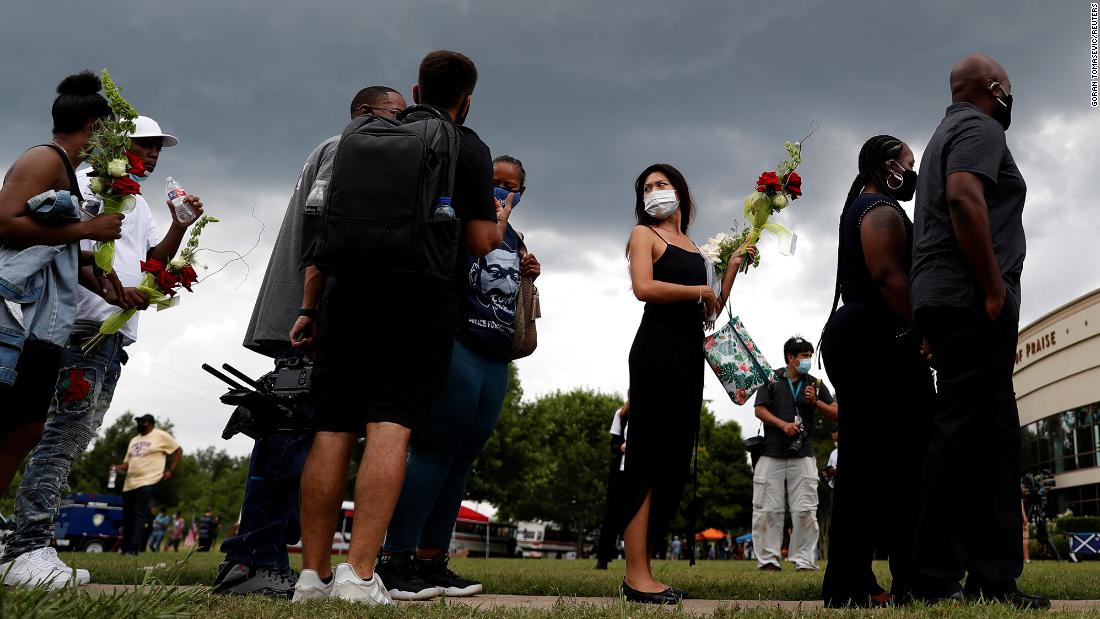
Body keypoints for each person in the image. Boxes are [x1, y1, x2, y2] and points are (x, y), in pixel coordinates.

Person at [292, 50, 500, 606]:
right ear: (468, 99)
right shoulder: (468, 145)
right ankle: (358, 575)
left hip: (345, 293)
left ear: (415, 88)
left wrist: (311, 307)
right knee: (391, 425)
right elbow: (481, 241)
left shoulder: (366, 134)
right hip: (420, 297)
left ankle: (311, 577)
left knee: (332, 427)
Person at [212, 85, 406, 600]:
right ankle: (251, 559)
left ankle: (261, 552)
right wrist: (313, 307)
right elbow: (323, 220)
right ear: (366, 113)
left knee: (290, 433)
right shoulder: (348, 146)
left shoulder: (333, 147)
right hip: (311, 317)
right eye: (394, 115)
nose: (400, 125)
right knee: (290, 435)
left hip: (306, 312)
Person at [1, 114, 203, 587]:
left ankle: (22, 540)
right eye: (145, 145)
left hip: (109, 335)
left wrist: (178, 226)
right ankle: (27, 545)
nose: (153, 155)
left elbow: (151, 261)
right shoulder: (93, 192)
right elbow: (65, 254)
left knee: (61, 436)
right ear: (115, 144)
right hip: (75, 329)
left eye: (159, 149)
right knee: (57, 436)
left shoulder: (136, 202)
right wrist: (108, 288)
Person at [909, 53, 1048, 609]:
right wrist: (993, 288)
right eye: (1009, 86)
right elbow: (965, 197)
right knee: (973, 435)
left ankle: (983, 576)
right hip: (973, 299)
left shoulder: (943, 133)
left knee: (981, 435)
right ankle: (937, 575)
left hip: (947, 299)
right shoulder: (978, 125)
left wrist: (930, 312)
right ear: (995, 87)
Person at [377, 154, 540, 600]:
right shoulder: (461, 222)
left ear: (522, 193)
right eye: (494, 182)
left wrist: (528, 272)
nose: (502, 191)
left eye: (511, 185)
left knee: (462, 459)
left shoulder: (517, 237)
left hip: (496, 358)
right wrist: (492, 227)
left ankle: (433, 561)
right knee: (433, 452)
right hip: (459, 348)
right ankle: (396, 560)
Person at [619, 163, 755, 604]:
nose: (655, 192)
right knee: (646, 456)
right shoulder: (644, 236)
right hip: (655, 350)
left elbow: (710, 310)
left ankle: (647, 570)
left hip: (688, 352)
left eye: (662, 185)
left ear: (680, 190)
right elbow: (643, 287)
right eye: (647, 188)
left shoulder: (695, 247)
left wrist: (730, 268)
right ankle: (635, 576)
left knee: (672, 459)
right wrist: (697, 290)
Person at [0, 71, 124, 519]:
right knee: (15, 423)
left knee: (26, 426)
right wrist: (89, 227)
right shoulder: (43, 158)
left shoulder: (67, 170)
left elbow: (56, 248)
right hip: (16, 314)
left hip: (44, 318)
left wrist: (111, 287)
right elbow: (3, 221)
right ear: (94, 126)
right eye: (108, 132)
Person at [818, 135, 935, 607]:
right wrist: (926, 331)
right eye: (909, 164)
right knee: (907, 462)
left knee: (867, 467)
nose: (913, 173)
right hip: (876, 341)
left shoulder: (862, 206)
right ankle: (895, 579)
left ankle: (854, 582)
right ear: (888, 168)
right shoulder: (881, 209)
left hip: (860, 340)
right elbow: (889, 278)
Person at [751, 338, 838, 573]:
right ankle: (768, 560)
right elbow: (759, 409)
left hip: (804, 453)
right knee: (767, 509)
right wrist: (782, 425)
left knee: (806, 509)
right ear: (790, 357)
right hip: (771, 451)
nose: (807, 359)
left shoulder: (815, 383)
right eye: (803, 355)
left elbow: (836, 412)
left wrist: (815, 401)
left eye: (810, 354)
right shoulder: (771, 379)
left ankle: (804, 560)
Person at [113, 414, 181, 555]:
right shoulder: (133, 440)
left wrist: (170, 470)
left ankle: (133, 549)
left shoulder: (161, 436)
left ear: (149, 423)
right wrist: (117, 467)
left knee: (139, 514)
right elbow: (127, 464)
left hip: (149, 480)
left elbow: (178, 450)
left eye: (141, 422)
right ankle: (124, 549)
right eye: (138, 422)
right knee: (128, 516)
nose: (139, 424)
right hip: (130, 483)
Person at [595, 400, 629, 570]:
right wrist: (622, 447)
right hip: (621, 472)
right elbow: (613, 446)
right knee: (611, 515)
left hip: (643, 472)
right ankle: (603, 558)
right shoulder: (621, 415)